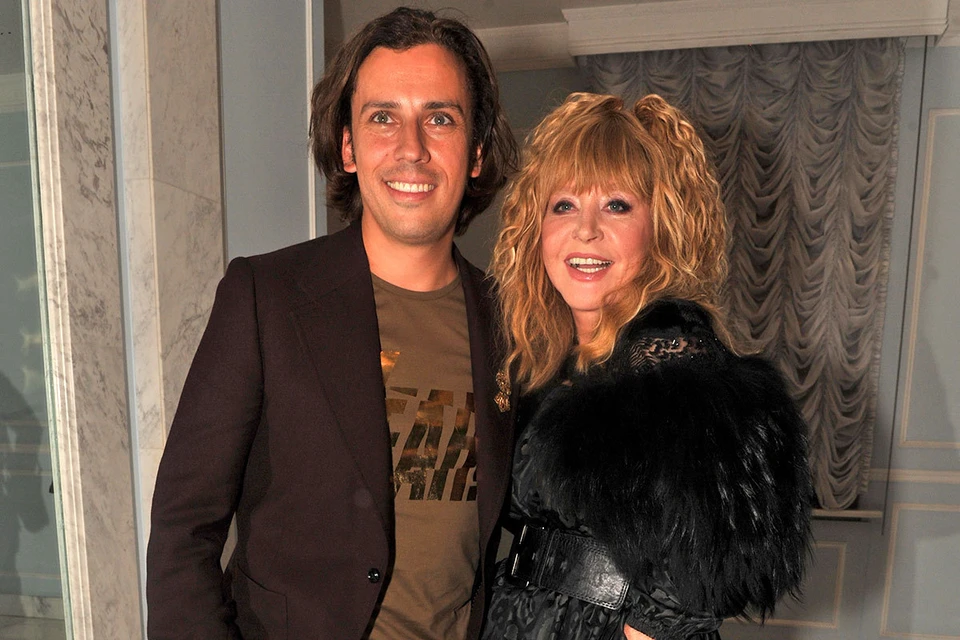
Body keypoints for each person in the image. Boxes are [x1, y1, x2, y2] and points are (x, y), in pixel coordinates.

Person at [146, 7, 519, 639]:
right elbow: (184, 527)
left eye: (440, 118)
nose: (411, 147)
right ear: (347, 147)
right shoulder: (265, 296)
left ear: (477, 152)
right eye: (382, 117)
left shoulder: (510, 321)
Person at [482, 92, 812, 640]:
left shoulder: (670, 350)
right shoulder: (548, 359)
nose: (586, 229)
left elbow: (710, 553)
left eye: (617, 205)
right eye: (563, 205)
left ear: (661, 226)